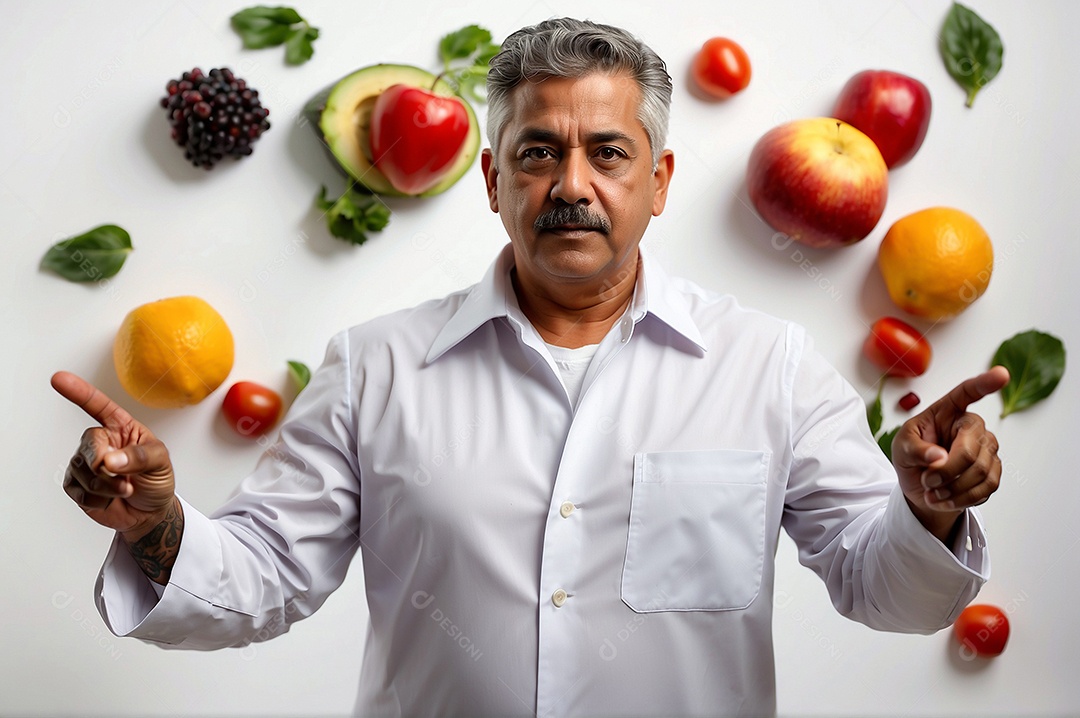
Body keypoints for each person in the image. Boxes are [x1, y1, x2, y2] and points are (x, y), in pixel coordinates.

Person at [53, 17, 1009, 718]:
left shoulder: (771, 367)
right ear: (493, 180)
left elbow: (888, 592)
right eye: (539, 152)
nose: (572, 185)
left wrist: (928, 510)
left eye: (609, 154)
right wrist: (156, 526)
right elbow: (263, 578)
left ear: (659, 182)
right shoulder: (375, 366)